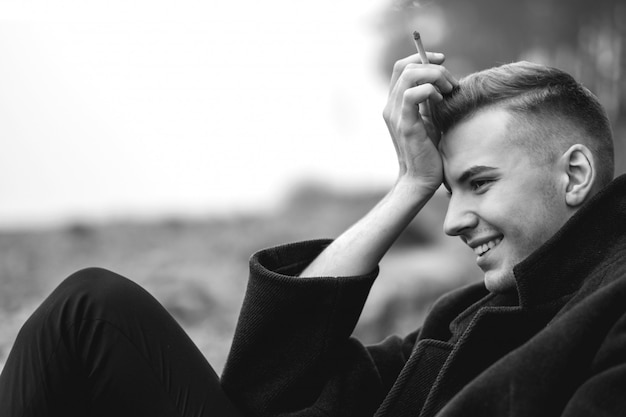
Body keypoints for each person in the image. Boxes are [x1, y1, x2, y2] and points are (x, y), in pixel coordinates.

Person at [1, 48, 624, 416]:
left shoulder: (611, 304)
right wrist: (409, 183)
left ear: (574, 173)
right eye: (446, 190)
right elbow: (266, 389)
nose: (454, 219)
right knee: (94, 310)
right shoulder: (467, 317)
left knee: (88, 312)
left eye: (480, 182)